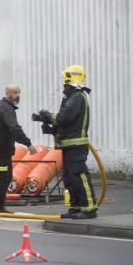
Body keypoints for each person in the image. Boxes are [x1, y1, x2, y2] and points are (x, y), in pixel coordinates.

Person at [35, 65, 95, 219]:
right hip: (68, 145)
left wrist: (48, 116)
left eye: (65, 83)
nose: (64, 85)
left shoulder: (77, 97)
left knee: (79, 176)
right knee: (69, 178)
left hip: (76, 145)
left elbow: (64, 118)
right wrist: (48, 125)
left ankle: (89, 208)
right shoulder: (71, 97)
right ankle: (75, 207)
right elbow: (64, 122)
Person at [0, 84, 37, 213]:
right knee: (3, 177)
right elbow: (14, 129)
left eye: (18, 92)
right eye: (14, 92)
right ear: (7, 93)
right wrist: (28, 144)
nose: (17, 95)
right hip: (1, 151)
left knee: (5, 176)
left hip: (0, 150)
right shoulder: (7, 109)